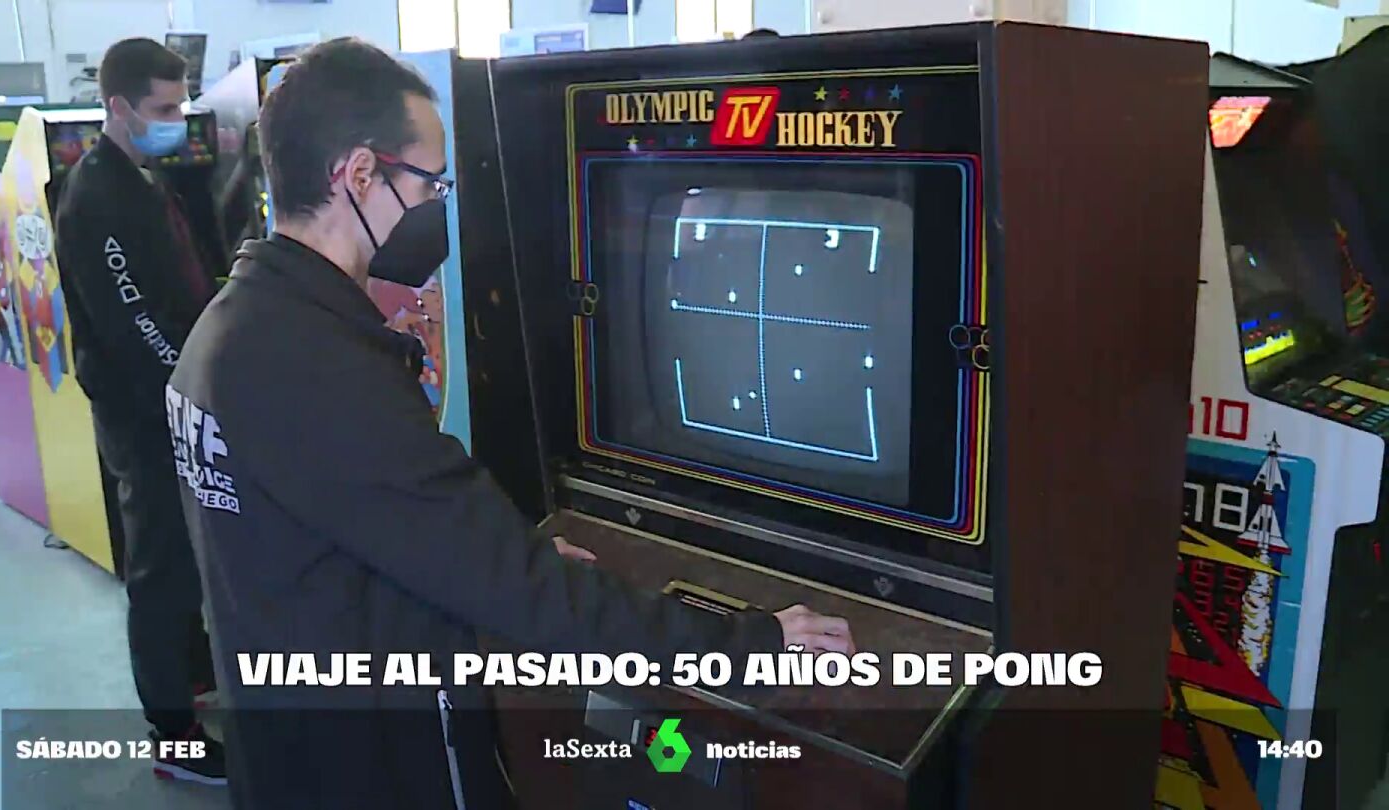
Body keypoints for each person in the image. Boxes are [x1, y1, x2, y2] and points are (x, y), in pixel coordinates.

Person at [168, 38, 855, 809]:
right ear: (359, 174)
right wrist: (751, 646)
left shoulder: (227, 330)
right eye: (431, 183)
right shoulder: (319, 368)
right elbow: (527, 592)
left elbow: (334, 543)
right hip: (374, 767)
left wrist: (477, 554)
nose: (438, 207)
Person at [54, 38, 225, 784]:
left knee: (183, 558)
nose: (176, 121)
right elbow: (137, 322)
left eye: (181, 104)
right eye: (162, 107)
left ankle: (191, 671)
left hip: (173, 400)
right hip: (144, 413)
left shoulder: (142, 179)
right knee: (158, 567)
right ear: (118, 107)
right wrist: (192, 383)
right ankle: (173, 734)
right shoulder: (97, 197)